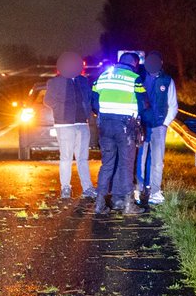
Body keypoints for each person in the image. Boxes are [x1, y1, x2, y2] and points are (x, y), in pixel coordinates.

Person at [92, 52, 146, 216]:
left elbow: (94, 102)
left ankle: (99, 204)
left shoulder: (103, 76)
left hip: (105, 126)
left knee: (107, 164)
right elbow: (143, 104)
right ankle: (129, 205)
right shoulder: (134, 78)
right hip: (125, 127)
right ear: (135, 64)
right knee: (126, 164)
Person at [43, 51, 96, 201]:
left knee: (82, 158)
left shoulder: (84, 81)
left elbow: (89, 98)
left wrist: (88, 114)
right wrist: (60, 108)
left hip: (82, 123)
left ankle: (87, 188)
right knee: (66, 157)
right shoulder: (55, 82)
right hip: (64, 124)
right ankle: (65, 187)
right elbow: (48, 100)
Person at [134, 51, 178, 206]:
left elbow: (173, 105)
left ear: (161, 62)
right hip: (142, 125)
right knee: (141, 158)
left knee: (157, 161)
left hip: (159, 126)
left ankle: (155, 191)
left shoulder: (167, 81)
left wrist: (165, 123)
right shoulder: (139, 79)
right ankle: (139, 190)